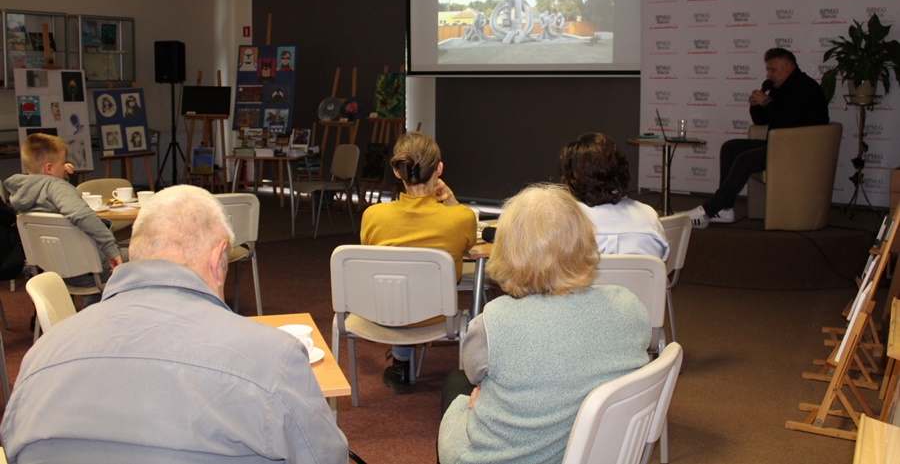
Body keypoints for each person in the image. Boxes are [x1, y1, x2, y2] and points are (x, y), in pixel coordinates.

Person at [0, 185, 349, 464]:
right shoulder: (273, 356)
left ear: (136, 252)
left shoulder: (41, 354)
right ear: (217, 259)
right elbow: (324, 457)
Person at [437, 183, 651, 464]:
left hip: (500, 457)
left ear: (508, 249)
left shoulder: (495, 320)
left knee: (456, 384)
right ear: (584, 241)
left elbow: (474, 374)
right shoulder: (629, 305)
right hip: (593, 451)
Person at [360, 131, 477, 394]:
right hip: (437, 315)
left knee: (403, 287)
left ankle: (401, 364)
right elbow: (469, 245)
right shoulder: (461, 218)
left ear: (398, 171)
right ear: (439, 169)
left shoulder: (373, 216)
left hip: (384, 314)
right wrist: (451, 203)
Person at [685, 48, 829, 229]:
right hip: (781, 144)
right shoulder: (779, 87)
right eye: (768, 70)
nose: (769, 74)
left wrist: (767, 102)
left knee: (745, 160)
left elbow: (788, 122)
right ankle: (726, 209)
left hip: (801, 148)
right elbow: (763, 121)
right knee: (731, 147)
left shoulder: (805, 87)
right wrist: (756, 105)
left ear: (789, 67)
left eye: (773, 70)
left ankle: (710, 210)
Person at [4, 133, 121, 305]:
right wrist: (111, 249)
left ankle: (91, 312)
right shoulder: (56, 187)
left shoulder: (22, 192)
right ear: (49, 168)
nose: (66, 166)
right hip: (88, 272)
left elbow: (50, 194)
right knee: (139, 255)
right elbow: (81, 215)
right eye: (62, 163)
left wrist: (61, 178)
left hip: (51, 273)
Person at [560, 132, 669, 259]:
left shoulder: (563, 226)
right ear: (621, 169)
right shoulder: (649, 218)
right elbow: (660, 269)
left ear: (571, 177)